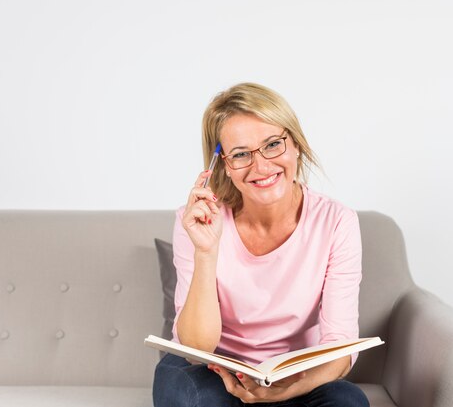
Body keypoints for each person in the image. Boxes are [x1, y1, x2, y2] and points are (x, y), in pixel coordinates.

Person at [153, 82, 369, 407]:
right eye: (241, 154)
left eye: (272, 144)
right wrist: (206, 251)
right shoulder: (196, 221)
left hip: (292, 374)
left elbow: (340, 348)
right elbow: (197, 347)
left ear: (295, 145)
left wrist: (285, 391)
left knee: (348, 401)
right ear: (224, 165)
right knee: (201, 399)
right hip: (207, 369)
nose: (262, 166)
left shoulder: (337, 222)